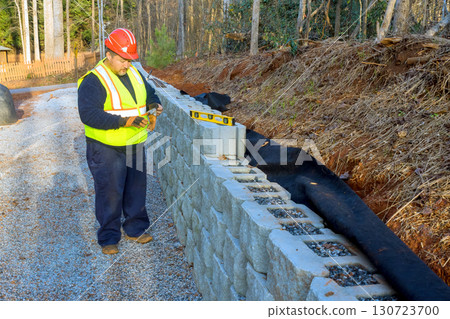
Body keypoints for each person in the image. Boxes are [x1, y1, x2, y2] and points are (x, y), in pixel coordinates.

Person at [77, 28, 163, 255]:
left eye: (130, 60)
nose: (127, 64)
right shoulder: (93, 81)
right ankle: (108, 237)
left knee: (136, 188)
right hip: (105, 147)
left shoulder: (134, 73)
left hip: (134, 143)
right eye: (123, 60)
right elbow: (89, 115)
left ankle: (135, 228)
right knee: (110, 192)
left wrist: (154, 107)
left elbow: (150, 93)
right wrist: (125, 121)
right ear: (109, 54)